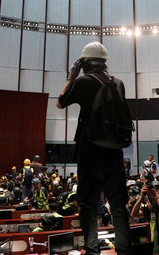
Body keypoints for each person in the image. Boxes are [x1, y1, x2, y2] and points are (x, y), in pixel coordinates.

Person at [57, 41, 131, 254]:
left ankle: (92, 250)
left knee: (88, 206)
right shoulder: (118, 83)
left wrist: (71, 76)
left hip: (90, 153)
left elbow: (60, 102)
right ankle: (124, 249)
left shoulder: (83, 81)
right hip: (115, 153)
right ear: (105, 62)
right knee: (118, 206)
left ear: (84, 63)